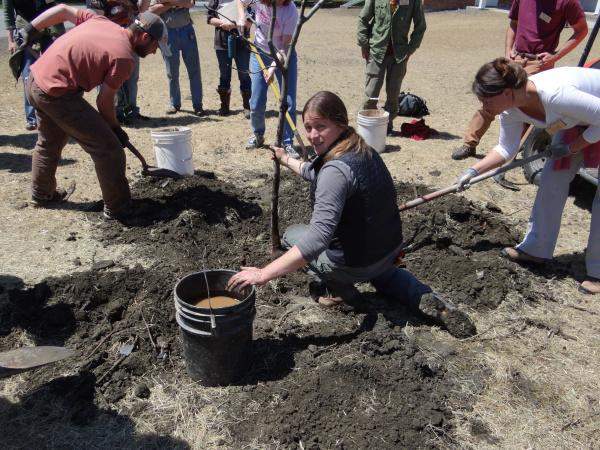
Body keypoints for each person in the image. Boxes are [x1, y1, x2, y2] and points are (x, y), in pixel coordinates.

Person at [228, 91, 476, 338]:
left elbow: (317, 239)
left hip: (354, 261)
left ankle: (342, 291)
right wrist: (286, 160)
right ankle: (425, 298)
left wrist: (263, 273)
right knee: (384, 274)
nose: (313, 135)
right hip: (388, 249)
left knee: (294, 235)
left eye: (321, 127)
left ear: (340, 123)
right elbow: (315, 172)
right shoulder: (361, 149)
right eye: (308, 127)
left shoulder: (335, 171)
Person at [456, 59, 600, 294]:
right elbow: (506, 148)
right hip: (578, 121)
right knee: (552, 180)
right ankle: (536, 248)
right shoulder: (510, 108)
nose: (483, 106)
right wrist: (473, 171)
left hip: (594, 116)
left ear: (506, 92)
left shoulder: (556, 94)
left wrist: (574, 147)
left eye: (486, 100)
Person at [23, 5, 169, 219]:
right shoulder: (124, 57)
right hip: (57, 94)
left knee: (50, 141)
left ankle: (41, 193)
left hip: (36, 81)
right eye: (155, 46)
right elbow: (104, 101)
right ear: (145, 37)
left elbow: (63, 9)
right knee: (108, 150)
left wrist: (30, 28)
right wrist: (115, 129)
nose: (155, 52)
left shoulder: (101, 21)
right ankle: (119, 209)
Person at [452, 0, 587, 160]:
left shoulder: (567, 2)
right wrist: (508, 51)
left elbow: (581, 30)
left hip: (539, 62)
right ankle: (470, 144)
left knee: (524, 107)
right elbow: (513, 23)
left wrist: (555, 56)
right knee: (492, 97)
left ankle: (509, 155)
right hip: (515, 58)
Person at [236, 0, 300, 159]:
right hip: (259, 53)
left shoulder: (290, 10)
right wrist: (242, 16)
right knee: (256, 101)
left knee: (288, 101)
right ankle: (258, 135)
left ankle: (287, 142)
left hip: (284, 56)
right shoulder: (258, 1)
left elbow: (285, 47)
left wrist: (272, 67)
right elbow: (240, 1)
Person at [357, 0, 426, 136]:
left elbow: (420, 26)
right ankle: (367, 125)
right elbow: (363, 19)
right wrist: (364, 44)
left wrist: (410, 49)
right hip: (376, 52)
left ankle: (387, 125)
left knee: (393, 94)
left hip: (399, 55)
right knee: (371, 93)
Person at [4, 0, 65, 131]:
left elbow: (57, 6)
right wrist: (10, 41)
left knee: (54, 72)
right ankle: (32, 118)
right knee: (29, 74)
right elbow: (8, 14)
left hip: (50, 28)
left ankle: (55, 114)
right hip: (26, 31)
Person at [87, 0, 151, 123]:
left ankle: (131, 110)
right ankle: (114, 112)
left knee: (132, 78)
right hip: (109, 39)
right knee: (111, 78)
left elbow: (141, 10)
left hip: (132, 37)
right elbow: (95, 17)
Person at [149, 0, 205, 116]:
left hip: (187, 30)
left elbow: (190, 3)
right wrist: (175, 3)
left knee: (194, 70)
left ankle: (198, 105)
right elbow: (152, 10)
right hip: (167, 33)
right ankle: (175, 103)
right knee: (172, 72)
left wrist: (167, 2)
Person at [207, 0, 251, 118]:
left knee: (244, 74)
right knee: (224, 74)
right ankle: (224, 106)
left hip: (242, 42)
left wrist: (234, 25)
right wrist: (224, 23)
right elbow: (210, 18)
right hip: (221, 42)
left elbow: (251, 20)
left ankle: (248, 106)